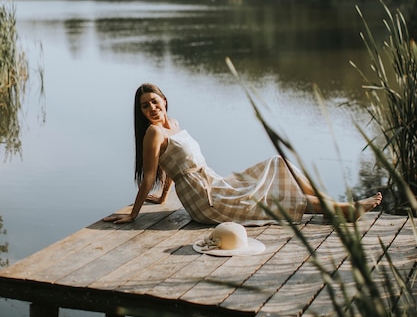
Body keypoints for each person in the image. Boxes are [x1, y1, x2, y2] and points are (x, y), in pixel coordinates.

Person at [103, 83, 383, 226]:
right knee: (275, 198)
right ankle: (345, 211)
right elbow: (150, 174)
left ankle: (331, 204)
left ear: (164, 99)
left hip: (214, 182)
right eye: (144, 106)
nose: (151, 108)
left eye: (154, 101)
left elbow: (171, 164)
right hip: (205, 200)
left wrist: (164, 197)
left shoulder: (173, 124)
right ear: (140, 112)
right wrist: (133, 214)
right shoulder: (154, 133)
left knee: (279, 163)